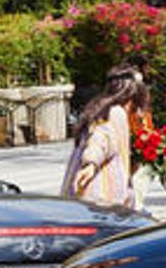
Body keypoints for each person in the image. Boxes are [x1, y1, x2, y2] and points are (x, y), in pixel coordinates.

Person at [60, 66, 145, 207]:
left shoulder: (98, 109)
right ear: (131, 97)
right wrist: (91, 164)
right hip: (100, 201)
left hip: (81, 198)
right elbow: (101, 138)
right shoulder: (116, 113)